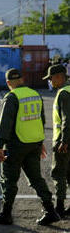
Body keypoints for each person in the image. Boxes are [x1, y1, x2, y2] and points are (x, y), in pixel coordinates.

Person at [0, 68, 60, 226]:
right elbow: (41, 120)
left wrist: (0, 147)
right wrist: (40, 142)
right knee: (36, 178)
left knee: (8, 180)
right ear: (22, 79)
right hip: (34, 143)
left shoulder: (12, 97)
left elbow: (5, 125)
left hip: (16, 145)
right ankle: (50, 211)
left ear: (8, 83)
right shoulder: (35, 94)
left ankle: (6, 214)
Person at [42, 64, 70, 218]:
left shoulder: (64, 93)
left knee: (58, 173)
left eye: (51, 78)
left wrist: (63, 141)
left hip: (63, 140)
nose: (50, 81)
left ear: (59, 77)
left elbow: (67, 119)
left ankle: (59, 208)